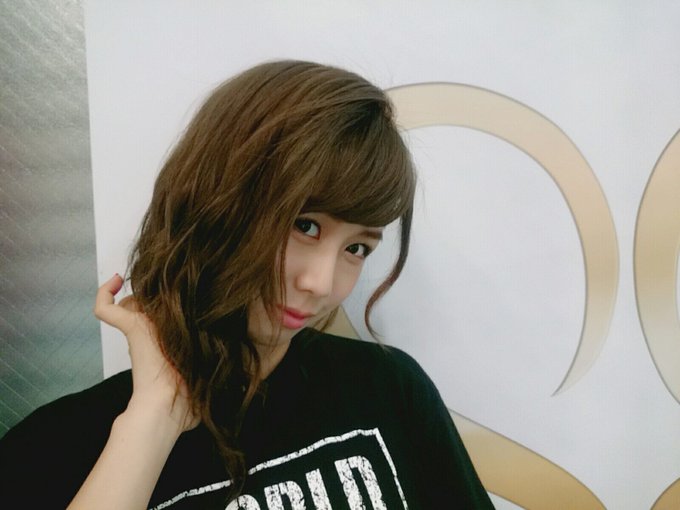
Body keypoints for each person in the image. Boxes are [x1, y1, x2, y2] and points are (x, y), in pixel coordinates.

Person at [0, 60, 493, 509]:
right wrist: (154, 417)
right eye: (304, 225)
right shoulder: (53, 448)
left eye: (357, 248)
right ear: (216, 200)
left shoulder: (387, 389)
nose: (321, 283)